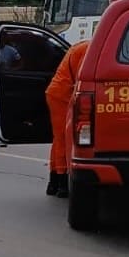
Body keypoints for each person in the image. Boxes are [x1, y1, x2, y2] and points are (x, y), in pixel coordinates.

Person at [44, 40, 90, 198]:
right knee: (63, 138)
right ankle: (62, 183)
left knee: (58, 139)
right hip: (61, 95)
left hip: (57, 92)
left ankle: (54, 182)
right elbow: (83, 77)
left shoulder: (83, 45)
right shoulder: (89, 49)